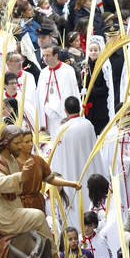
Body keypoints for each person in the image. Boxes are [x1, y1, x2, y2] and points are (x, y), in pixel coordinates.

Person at [0, 125, 67, 258]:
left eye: (21, 143)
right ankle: (54, 255)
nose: (20, 147)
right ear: (6, 143)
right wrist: (21, 175)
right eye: (16, 143)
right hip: (3, 212)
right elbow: (0, 183)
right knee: (38, 216)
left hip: (15, 205)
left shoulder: (12, 159)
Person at [48, 96, 96, 230]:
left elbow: (57, 156)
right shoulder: (88, 125)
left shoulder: (62, 129)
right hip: (88, 173)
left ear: (65, 111)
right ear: (79, 108)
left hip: (70, 177)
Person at [36, 45, 80, 139]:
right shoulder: (43, 73)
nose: (45, 58)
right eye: (43, 56)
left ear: (56, 56)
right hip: (48, 116)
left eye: (48, 55)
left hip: (63, 115)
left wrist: (57, 108)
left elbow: (71, 93)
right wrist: (46, 108)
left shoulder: (68, 71)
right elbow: (39, 96)